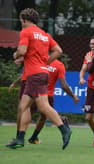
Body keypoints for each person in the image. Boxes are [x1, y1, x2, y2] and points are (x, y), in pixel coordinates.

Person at [6, 8, 71, 150]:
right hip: (39, 73)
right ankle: (20, 139)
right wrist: (45, 63)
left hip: (34, 75)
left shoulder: (26, 32)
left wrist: (16, 55)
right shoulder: (44, 34)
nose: (20, 23)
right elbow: (58, 50)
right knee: (23, 107)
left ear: (23, 19)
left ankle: (63, 128)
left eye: (20, 20)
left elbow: (22, 51)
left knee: (43, 106)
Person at [28, 59, 79, 144]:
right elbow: (64, 85)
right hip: (46, 95)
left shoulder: (39, 60)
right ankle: (61, 120)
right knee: (43, 116)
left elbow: (27, 73)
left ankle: (25, 137)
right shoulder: (59, 65)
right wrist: (73, 96)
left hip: (34, 92)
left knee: (28, 113)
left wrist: (16, 83)